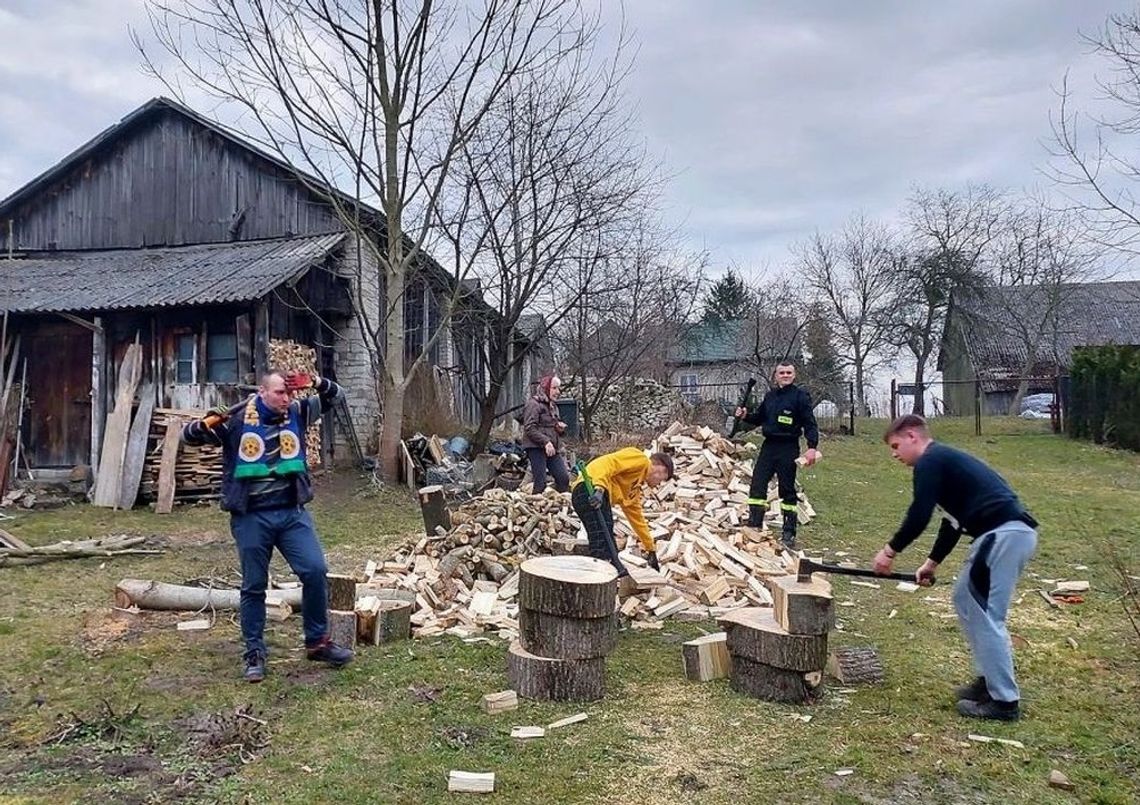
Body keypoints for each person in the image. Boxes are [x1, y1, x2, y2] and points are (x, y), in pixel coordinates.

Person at [182, 369, 354, 683]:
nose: (286, 399)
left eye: (289, 393)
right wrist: (207, 421)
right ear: (262, 393)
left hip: (291, 513)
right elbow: (188, 437)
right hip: (251, 517)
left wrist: (314, 382)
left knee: (315, 570)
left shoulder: (299, 412)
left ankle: (317, 642)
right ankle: (254, 653)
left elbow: (336, 397)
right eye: (279, 393)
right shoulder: (234, 421)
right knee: (254, 585)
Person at [873, 414, 1038, 722]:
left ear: (913, 436)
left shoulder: (931, 460)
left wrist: (889, 551)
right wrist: (931, 564)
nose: (895, 454)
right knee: (965, 599)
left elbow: (919, 513)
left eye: (896, 446)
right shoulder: (942, 463)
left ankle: (1003, 702)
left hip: (1003, 534)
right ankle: (988, 681)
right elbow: (951, 524)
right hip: (1003, 535)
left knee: (985, 613)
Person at [734, 361, 821, 547]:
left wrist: (812, 446)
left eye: (789, 372)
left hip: (788, 447)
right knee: (757, 483)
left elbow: (810, 423)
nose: (785, 375)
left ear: (794, 375)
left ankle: (789, 532)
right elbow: (759, 418)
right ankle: (754, 525)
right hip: (769, 446)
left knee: (787, 489)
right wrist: (745, 416)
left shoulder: (800, 397)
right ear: (776, 376)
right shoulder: (770, 396)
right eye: (782, 372)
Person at [570, 448, 674, 577]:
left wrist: (650, 549)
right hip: (589, 488)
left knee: (605, 540)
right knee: (602, 539)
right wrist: (600, 488)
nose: (659, 484)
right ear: (661, 469)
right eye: (662, 479)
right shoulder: (641, 460)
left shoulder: (633, 490)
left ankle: (604, 574)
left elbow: (638, 521)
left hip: (593, 495)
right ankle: (597, 575)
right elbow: (608, 463)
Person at [521, 374, 570, 494]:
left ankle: (556, 503)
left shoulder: (553, 406)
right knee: (540, 482)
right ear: (546, 388)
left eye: (558, 388)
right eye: (554, 388)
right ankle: (536, 507)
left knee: (563, 478)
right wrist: (545, 441)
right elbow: (529, 428)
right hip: (536, 447)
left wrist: (559, 429)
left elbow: (550, 427)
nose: (557, 391)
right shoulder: (534, 404)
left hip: (552, 448)